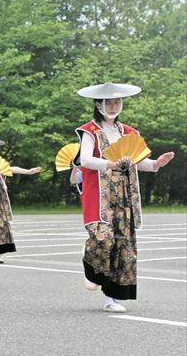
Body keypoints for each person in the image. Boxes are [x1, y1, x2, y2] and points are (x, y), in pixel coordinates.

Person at [75, 83, 175, 312]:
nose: (113, 106)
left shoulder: (130, 132)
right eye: (108, 102)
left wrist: (156, 164)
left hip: (124, 197)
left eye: (117, 102)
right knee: (103, 239)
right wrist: (110, 163)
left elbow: (139, 162)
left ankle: (112, 299)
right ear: (98, 105)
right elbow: (86, 160)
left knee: (123, 246)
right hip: (100, 194)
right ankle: (89, 260)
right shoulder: (89, 131)